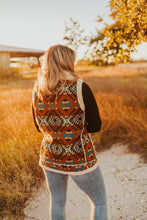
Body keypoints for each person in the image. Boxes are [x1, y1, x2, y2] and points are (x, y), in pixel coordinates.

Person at [32, 44, 108, 220]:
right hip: (79, 157)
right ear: (67, 61)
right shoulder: (80, 87)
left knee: (57, 201)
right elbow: (95, 126)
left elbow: (38, 126)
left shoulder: (37, 90)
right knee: (99, 201)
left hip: (50, 156)